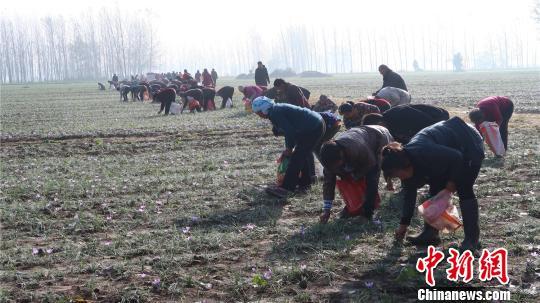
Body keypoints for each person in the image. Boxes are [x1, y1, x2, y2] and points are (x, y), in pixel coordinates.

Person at [382, 117, 484, 251]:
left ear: (406, 166)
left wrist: (452, 182)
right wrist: (403, 225)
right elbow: (409, 195)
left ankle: (472, 240)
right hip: (448, 147)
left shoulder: (424, 151)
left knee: (464, 188)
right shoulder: (405, 164)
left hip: (468, 140)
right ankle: (430, 234)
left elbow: (457, 157)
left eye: (397, 175)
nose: (399, 178)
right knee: (436, 189)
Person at [251, 97, 325, 197]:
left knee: (296, 158)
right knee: (301, 155)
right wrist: (289, 148)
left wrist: (289, 148)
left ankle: (286, 189)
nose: (259, 115)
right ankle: (305, 184)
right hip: (313, 125)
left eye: (258, 113)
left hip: (312, 127)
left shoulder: (275, 113)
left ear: (264, 109)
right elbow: (289, 130)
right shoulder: (275, 109)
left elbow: (289, 131)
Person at [319, 126, 393, 223]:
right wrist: (326, 210)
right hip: (361, 137)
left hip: (380, 137)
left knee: (371, 177)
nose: (336, 169)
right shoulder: (329, 161)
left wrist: (355, 176)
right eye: (333, 167)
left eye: (337, 165)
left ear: (341, 154)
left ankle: (367, 213)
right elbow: (328, 183)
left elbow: (371, 170)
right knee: (350, 178)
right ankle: (355, 206)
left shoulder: (357, 148)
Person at [362, 104, 450, 143]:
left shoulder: (397, 114)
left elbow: (422, 118)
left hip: (438, 116)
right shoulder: (389, 126)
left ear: (380, 124)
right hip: (424, 123)